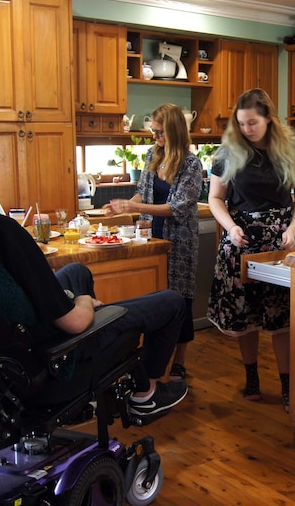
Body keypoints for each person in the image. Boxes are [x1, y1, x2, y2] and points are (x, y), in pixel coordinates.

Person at [0, 117, 189, 419]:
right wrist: (83, 302)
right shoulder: (0, 232)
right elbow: (75, 323)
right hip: (47, 358)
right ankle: (145, 394)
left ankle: (94, 381)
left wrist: (67, 296)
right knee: (172, 302)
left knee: (77, 272)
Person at [206, 88, 295, 412]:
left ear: (268, 119)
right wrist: (230, 227)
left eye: (252, 123)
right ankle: (251, 376)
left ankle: (286, 385)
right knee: (245, 317)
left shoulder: (292, 151)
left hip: (282, 241)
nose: (246, 129)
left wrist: (293, 230)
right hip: (240, 240)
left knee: (283, 317)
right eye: (241, 124)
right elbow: (215, 198)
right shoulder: (227, 153)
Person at [104, 104, 203, 381]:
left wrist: (134, 206)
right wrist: (124, 207)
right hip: (150, 235)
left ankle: (179, 362)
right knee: (154, 296)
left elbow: (178, 207)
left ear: (173, 130)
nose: (154, 137)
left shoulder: (191, 163)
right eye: (153, 131)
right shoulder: (151, 155)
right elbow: (143, 193)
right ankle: (151, 358)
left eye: (159, 132)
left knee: (180, 299)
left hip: (179, 239)